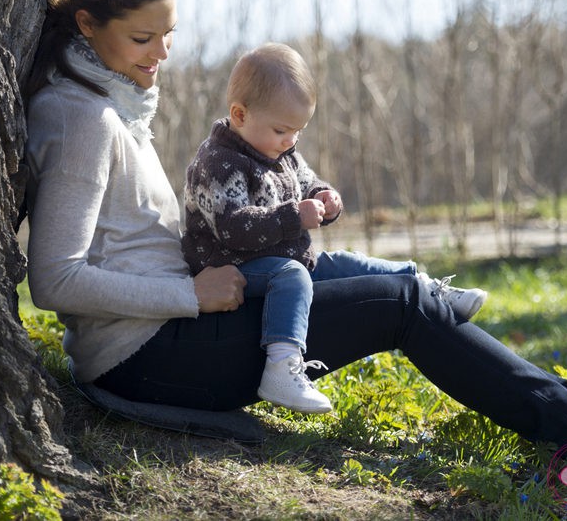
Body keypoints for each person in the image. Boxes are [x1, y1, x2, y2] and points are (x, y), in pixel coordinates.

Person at [22, 0, 567, 488]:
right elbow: (54, 280)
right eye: (143, 40)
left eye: (167, 33)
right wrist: (191, 294)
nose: (162, 54)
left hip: (176, 326)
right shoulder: (84, 121)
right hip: (145, 355)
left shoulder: (110, 104)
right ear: (88, 24)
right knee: (402, 304)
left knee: (372, 281)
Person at [182, 42, 487, 415]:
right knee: (291, 276)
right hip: (232, 265)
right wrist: (294, 216)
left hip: (283, 255)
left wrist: (324, 196)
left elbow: (307, 181)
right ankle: (281, 367)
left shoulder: (281, 149)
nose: (291, 140)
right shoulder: (219, 162)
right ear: (240, 114)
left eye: (298, 131)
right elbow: (232, 227)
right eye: (282, 129)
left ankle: (426, 289)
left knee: (348, 263)